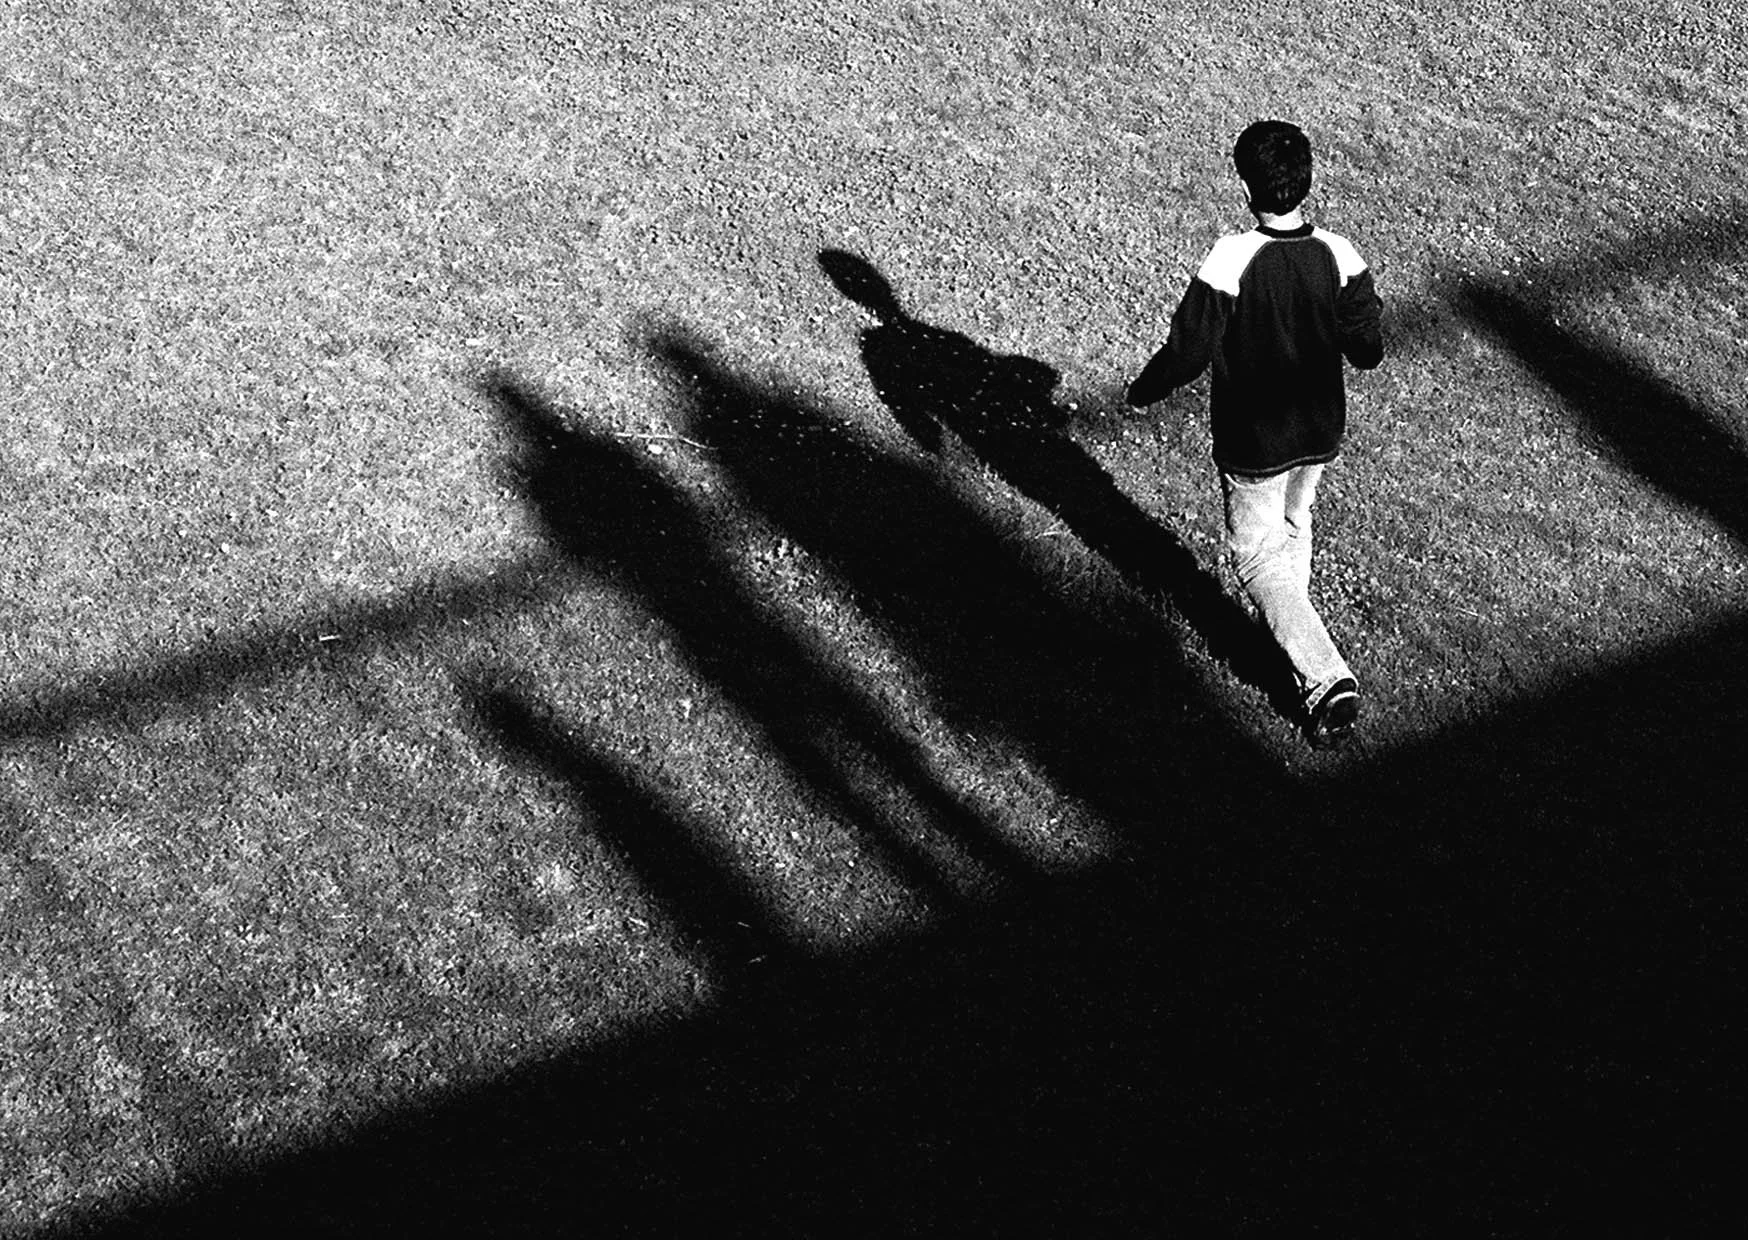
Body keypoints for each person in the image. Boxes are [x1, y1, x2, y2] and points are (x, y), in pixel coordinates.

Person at [1126, 119, 1384, 749]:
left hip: (1255, 441)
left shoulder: (1230, 257)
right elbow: (1368, 349)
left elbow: (1187, 353)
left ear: (1245, 184)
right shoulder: (1340, 253)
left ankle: (1326, 678)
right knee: (1292, 531)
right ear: (1308, 179)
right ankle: (1299, 666)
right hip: (1320, 431)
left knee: (1255, 555)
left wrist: (1140, 392)